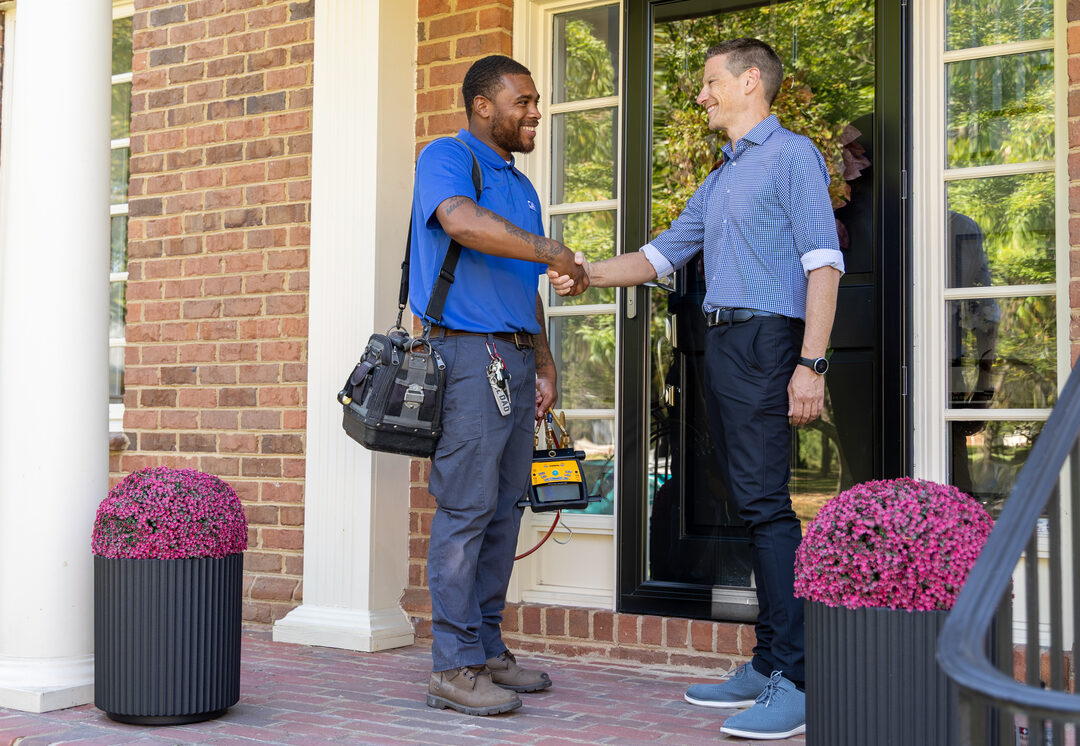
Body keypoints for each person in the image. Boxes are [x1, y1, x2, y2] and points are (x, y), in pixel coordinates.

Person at [550, 38, 843, 740]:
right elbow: (660, 254)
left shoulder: (792, 155)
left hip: (770, 340)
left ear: (749, 82)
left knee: (768, 503)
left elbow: (825, 265)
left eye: (711, 82)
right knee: (748, 500)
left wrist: (813, 364)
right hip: (725, 343)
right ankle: (768, 660)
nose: (702, 95)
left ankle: (798, 679)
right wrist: (585, 271)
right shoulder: (723, 176)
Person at [411, 55, 588, 717]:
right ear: (484, 105)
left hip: (512, 358)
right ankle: (452, 668)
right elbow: (458, 220)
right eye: (524, 101)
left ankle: (484, 649)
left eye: (536, 101)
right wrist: (550, 249)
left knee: (502, 510)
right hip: (463, 358)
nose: (535, 111)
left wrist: (544, 361)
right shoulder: (448, 156)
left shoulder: (521, 185)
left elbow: (524, 289)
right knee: (464, 511)